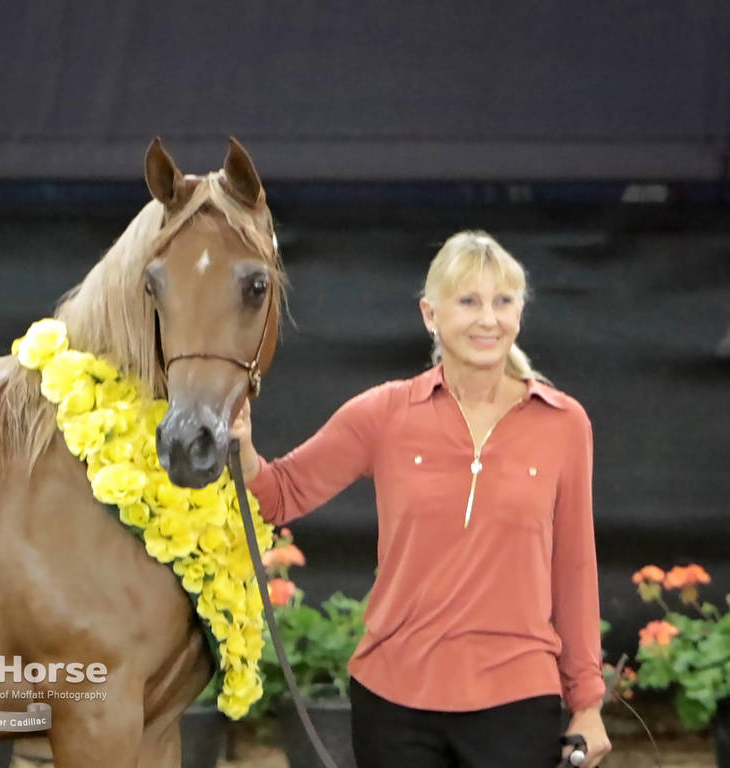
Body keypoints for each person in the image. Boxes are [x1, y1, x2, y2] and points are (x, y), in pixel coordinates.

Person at [232, 231, 611, 768]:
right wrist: (244, 451)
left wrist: (587, 703)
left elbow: (574, 568)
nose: (489, 319)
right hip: (394, 703)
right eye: (469, 301)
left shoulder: (564, 424)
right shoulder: (384, 414)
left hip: (518, 700)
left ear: (520, 314)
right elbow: (280, 495)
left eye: (504, 301)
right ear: (430, 315)